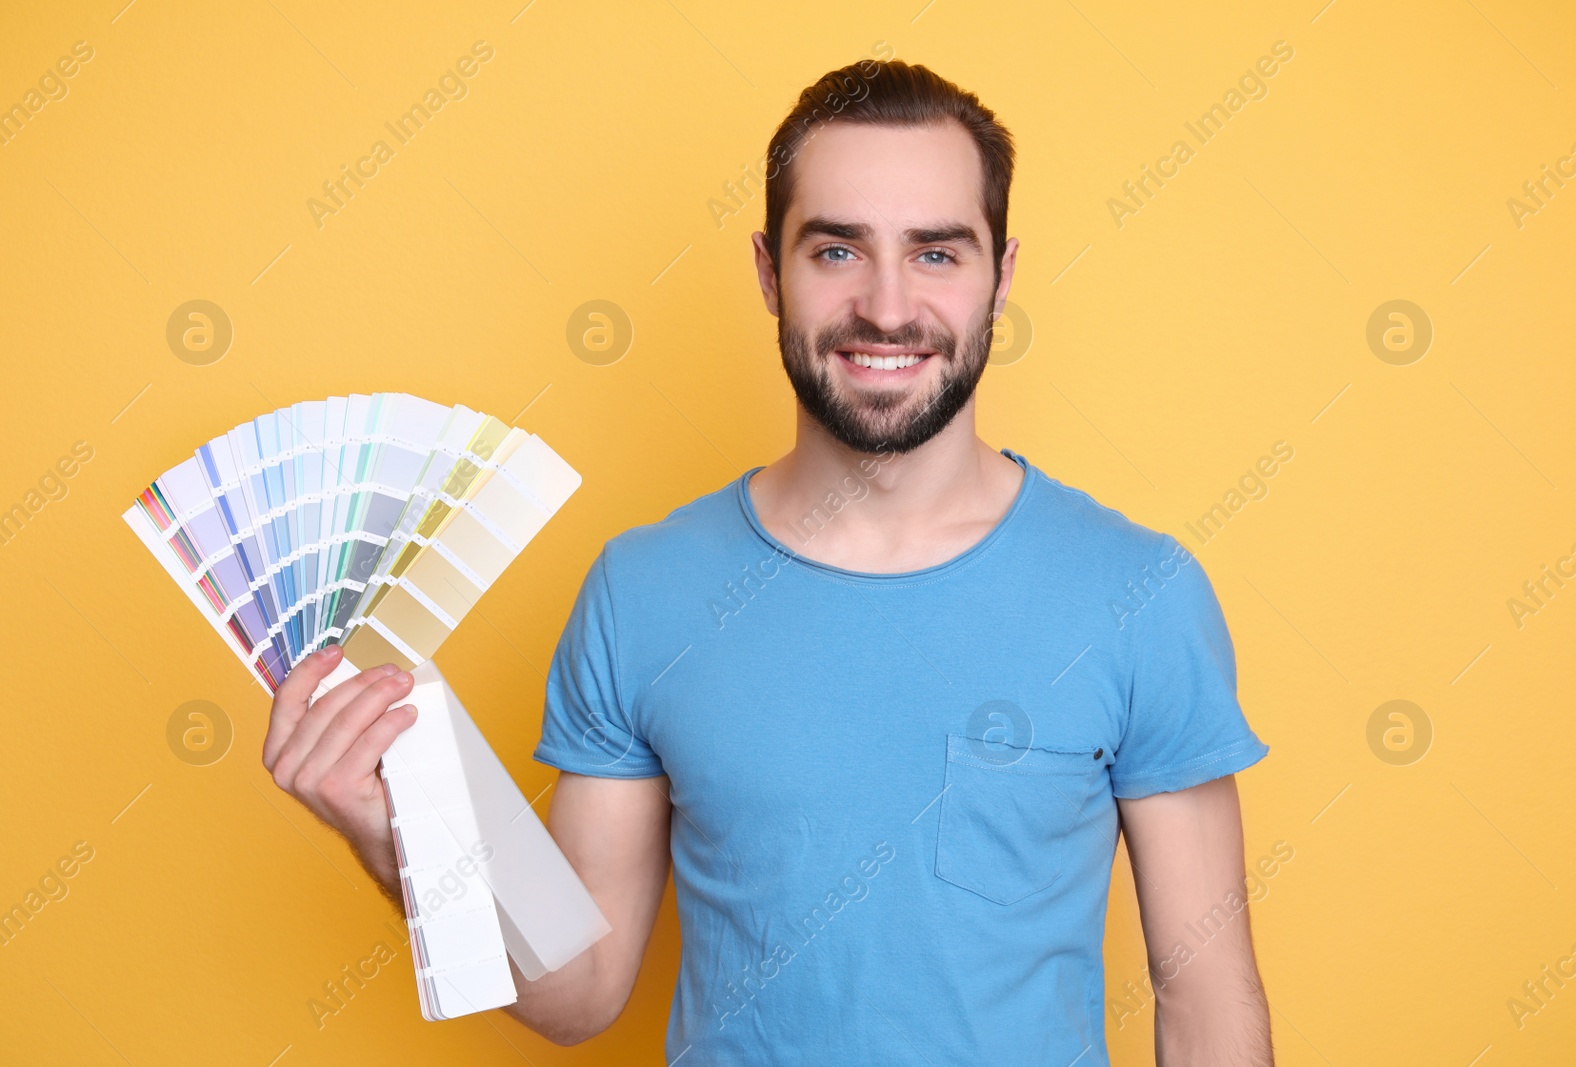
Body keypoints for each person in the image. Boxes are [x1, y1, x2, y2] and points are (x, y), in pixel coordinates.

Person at [264, 58, 1274, 1066]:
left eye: (935, 253)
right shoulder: (642, 591)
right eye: (836, 249)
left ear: (999, 274)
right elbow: (576, 990)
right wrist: (394, 835)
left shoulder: (1136, 593)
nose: (886, 306)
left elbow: (1207, 1008)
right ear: (766, 270)